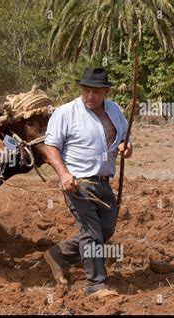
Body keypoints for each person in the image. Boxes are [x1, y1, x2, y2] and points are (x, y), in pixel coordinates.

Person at [44, 67, 133, 299]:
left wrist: (126, 147)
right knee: (92, 233)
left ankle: (58, 255)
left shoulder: (115, 110)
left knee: (106, 230)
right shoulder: (65, 113)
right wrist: (64, 175)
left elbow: (124, 138)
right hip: (78, 183)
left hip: (103, 182)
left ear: (106, 91)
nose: (89, 96)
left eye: (95, 91)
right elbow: (50, 146)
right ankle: (96, 285)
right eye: (85, 90)